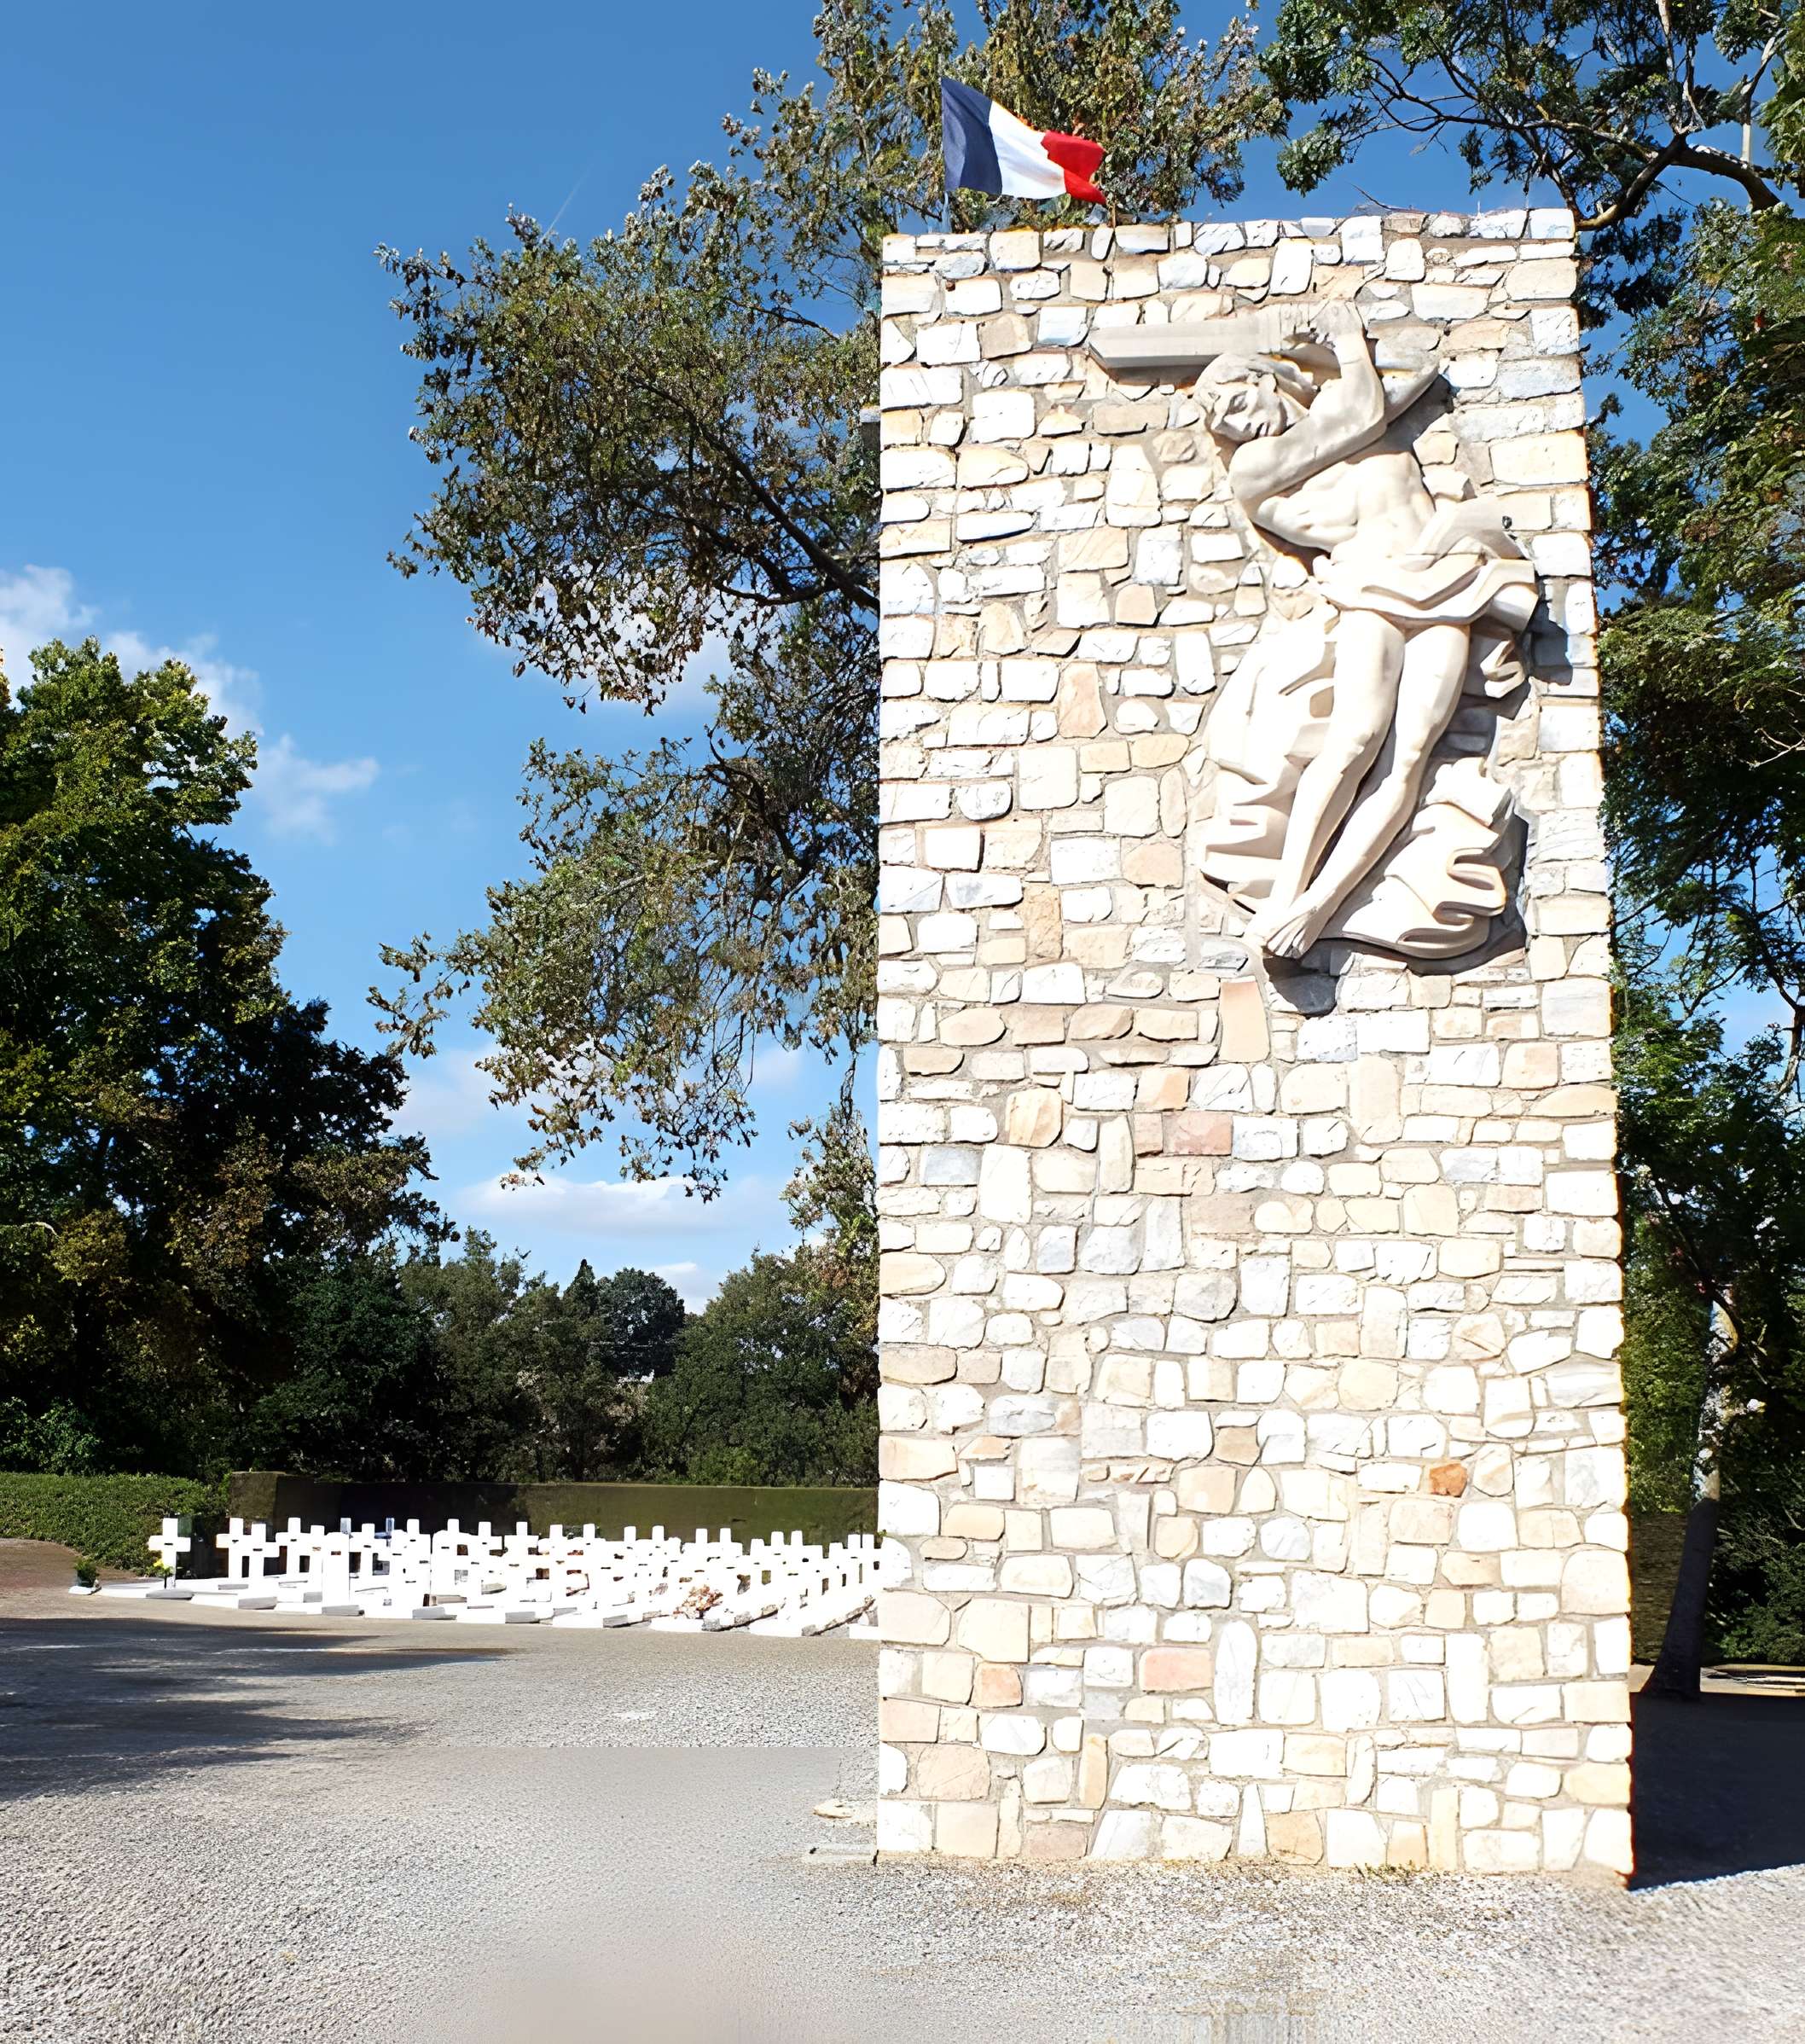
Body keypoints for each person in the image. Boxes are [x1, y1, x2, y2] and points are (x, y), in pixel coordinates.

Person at [1197, 302, 1537, 960]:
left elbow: (1417, 366)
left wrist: (1311, 351)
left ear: (1267, 381)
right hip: (1368, 588)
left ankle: (1316, 909)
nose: (1238, 426)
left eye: (1239, 402)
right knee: (1355, 738)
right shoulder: (1257, 469)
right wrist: (1347, 340)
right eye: (1224, 423)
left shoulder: (1348, 411)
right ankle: (1286, 895)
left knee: (1407, 757)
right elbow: (1360, 412)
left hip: (1445, 583)